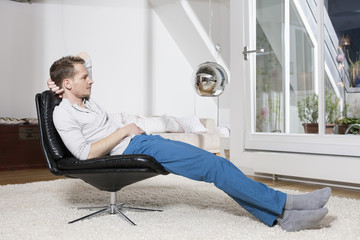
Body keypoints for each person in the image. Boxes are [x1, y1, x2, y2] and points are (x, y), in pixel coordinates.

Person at [48, 53, 331, 232]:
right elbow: (84, 154)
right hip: (134, 147)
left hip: (143, 141)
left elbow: (81, 60)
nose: (92, 80)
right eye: (85, 77)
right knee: (215, 167)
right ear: (69, 84)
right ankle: (286, 206)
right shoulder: (63, 114)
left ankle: (283, 215)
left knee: (216, 165)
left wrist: (55, 81)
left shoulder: (85, 99)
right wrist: (124, 131)